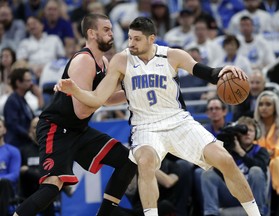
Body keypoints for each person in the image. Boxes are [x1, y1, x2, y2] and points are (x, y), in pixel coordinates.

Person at [55, 16, 262, 216]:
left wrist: (224, 71)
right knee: (144, 163)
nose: (131, 43)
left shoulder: (172, 55)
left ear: (151, 38)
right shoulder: (121, 60)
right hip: (146, 127)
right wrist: (76, 91)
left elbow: (205, 72)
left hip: (179, 121)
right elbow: (98, 98)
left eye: (137, 39)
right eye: (129, 38)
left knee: (225, 159)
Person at [13, 13, 137, 216]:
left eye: (111, 29)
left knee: (128, 160)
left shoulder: (103, 62)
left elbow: (104, 99)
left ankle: (105, 213)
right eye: (106, 29)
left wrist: (133, 93)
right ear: (91, 33)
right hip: (57, 128)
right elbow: (81, 111)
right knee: (52, 187)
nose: (111, 33)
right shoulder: (83, 61)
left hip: (78, 129)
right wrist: (97, 96)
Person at [201, 116, 270, 216]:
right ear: (237, 134)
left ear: (256, 133)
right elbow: (218, 172)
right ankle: (211, 213)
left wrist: (241, 152)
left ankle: (259, 213)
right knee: (207, 174)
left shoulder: (260, 150)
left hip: (252, 196)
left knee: (256, 170)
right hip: (232, 193)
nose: (247, 133)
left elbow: (261, 168)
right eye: (244, 130)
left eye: (250, 130)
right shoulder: (230, 152)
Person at [254, 90, 279, 216]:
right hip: (261, 162)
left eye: (268, 104)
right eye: (261, 104)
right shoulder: (254, 127)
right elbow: (252, 147)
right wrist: (269, 152)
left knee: (277, 162)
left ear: (275, 107)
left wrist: (270, 152)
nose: (264, 108)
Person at [0, 116, 21, 216]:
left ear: (4, 129)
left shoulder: (13, 151)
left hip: (7, 190)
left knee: (4, 183)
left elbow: (15, 175)